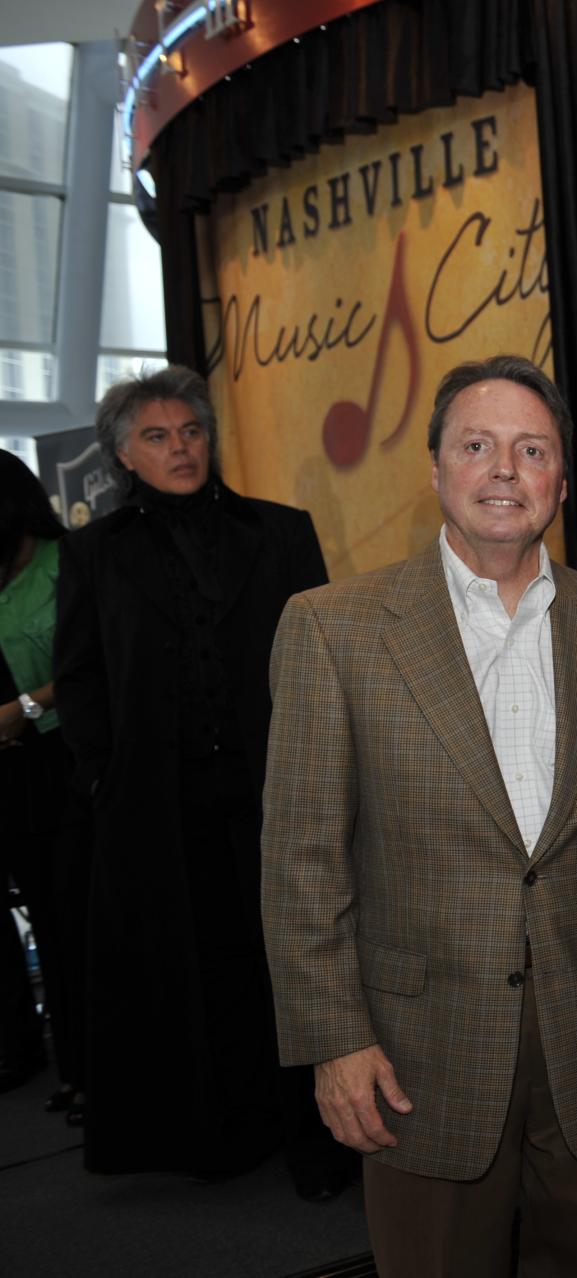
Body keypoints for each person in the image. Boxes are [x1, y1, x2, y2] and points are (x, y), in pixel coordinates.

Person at [261, 355, 577, 1278]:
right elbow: (301, 859)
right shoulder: (333, 629)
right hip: (418, 1057)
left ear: (563, 479)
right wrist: (333, 1040)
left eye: (532, 449)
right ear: (436, 469)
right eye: (477, 446)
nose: (504, 470)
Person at [52, 367, 344, 1192]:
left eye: (191, 432)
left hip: (275, 796)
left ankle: (318, 1139)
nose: (180, 448)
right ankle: (217, 1139)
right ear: (123, 456)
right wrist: (107, 776)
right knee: (193, 973)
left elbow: (320, 663)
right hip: (155, 810)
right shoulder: (92, 554)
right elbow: (79, 679)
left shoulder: (282, 533)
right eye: (157, 436)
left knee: (290, 966)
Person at [0, 450, 73, 1104]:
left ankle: (91, 1066)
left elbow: (93, 665)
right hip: (15, 773)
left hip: (68, 762)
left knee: (71, 918)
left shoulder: (67, 564)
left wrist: (24, 708)